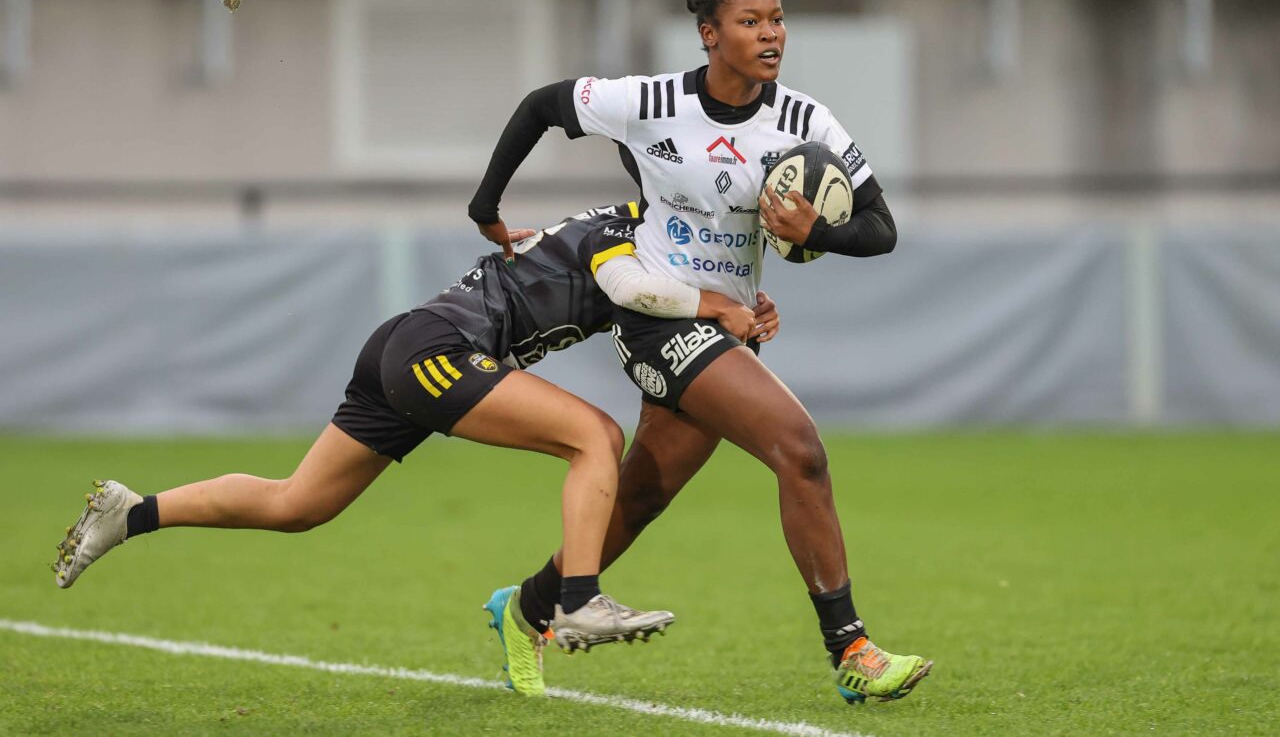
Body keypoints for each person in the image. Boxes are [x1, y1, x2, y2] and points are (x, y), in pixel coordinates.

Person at [469, 0, 932, 705]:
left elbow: (880, 228)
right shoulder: (648, 101)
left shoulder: (805, 122)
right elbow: (540, 106)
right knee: (800, 449)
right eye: (750, 22)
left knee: (640, 498)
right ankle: (851, 648)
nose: (770, 34)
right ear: (709, 34)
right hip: (659, 319)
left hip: (730, 329)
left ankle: (524, 610)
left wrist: (820, 232)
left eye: (777, 20)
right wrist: (485, 206)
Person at [52, 201, 769, 682]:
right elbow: (631, 288)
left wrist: (742, 308)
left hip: (406, 342)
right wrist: (721, 307)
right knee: (596, 435)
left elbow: (660, 303)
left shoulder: (660, 244)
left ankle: (132, 511)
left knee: (298, 502)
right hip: (439, 348)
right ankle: (576, 598)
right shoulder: (632, 222)